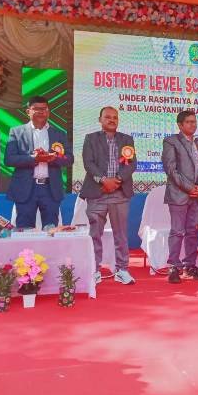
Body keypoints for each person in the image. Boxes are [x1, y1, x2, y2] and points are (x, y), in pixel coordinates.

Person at [80, 107, 136, 285]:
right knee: (95, 234)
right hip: (98, 193)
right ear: (100, 119)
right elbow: (88, 163)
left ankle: (122, 270)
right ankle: (94, 270)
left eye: (115, 117)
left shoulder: (127, 139)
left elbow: (132, 164)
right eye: (108, 117)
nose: (112, 120)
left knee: (121, 235)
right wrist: (104, 180)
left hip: (120, 193)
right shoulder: (91, 138)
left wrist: (117, 180)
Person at [5, 96, 73, 228]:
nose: (41, 112)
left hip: (50, 189)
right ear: (28, 111)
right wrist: (34, 159)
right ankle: (25, 243)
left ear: (48, 112)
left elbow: (70, 158)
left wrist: (53, 158)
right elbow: (9, 159)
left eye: (44, 109)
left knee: (51, 230)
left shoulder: (59, 133)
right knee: (24, 230)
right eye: (36, 109)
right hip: (26, 189)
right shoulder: (16, 132)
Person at [162, 110, 198, 284]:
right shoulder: (171, 141)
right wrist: (189, 188)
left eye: (194, 121)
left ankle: (190, 266)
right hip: (179, 194)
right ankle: (174, 267)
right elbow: (171, 169)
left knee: (192, 231)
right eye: (188, 122)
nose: (192, 125)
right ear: (180, 125)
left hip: (196, 195)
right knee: (177, 231)